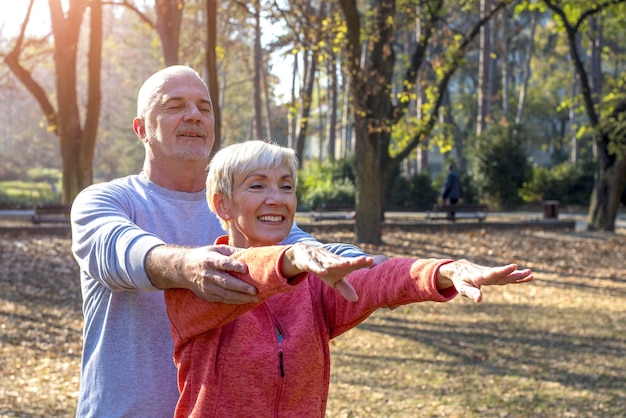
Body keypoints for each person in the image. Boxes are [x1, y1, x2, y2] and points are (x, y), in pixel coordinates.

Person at [70, 66, 369, 417]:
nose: (194, 115)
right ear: (141, 129)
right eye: (174, 105)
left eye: (204, 107)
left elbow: (309, 250)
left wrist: (370, 266)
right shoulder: (106, 200)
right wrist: (185, 267)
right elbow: (119, 251)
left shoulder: (241, 205)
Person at [164, 140, 534, 417]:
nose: (277, 198)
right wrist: (291, 257)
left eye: (287, 186)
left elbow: (378, 280)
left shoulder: (316, 281)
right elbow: (248, 274)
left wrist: (443, 271)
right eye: (257, 185)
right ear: (222, 204)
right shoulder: (198, 279)